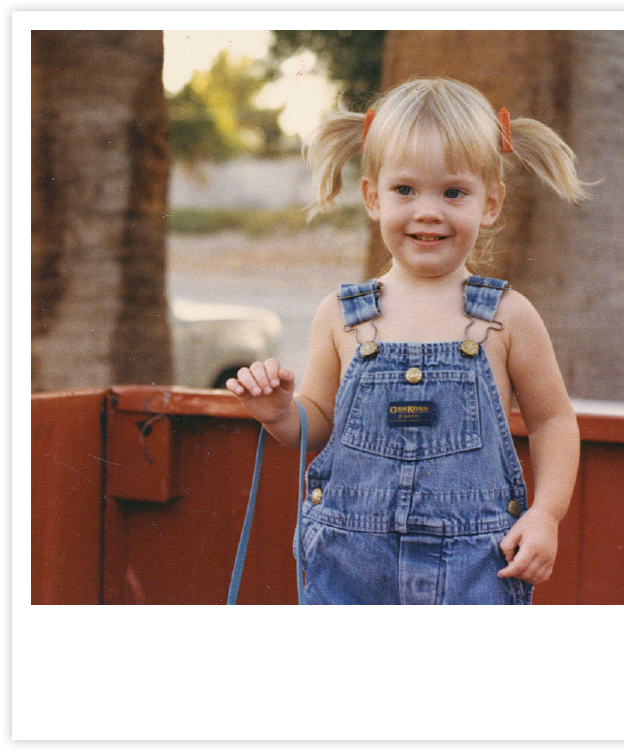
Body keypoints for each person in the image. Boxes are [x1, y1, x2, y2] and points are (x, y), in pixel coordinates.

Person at [227, 77, 584, 605]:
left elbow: (553, 420)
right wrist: (280, 412)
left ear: (490, 204)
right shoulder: (340, 316)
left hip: (475, 569)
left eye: (453, 192)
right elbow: (318, 423)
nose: (428, 211)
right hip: (350, 570)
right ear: (373, 197)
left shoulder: (507, 318)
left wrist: (546, 514)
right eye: (405, 190)